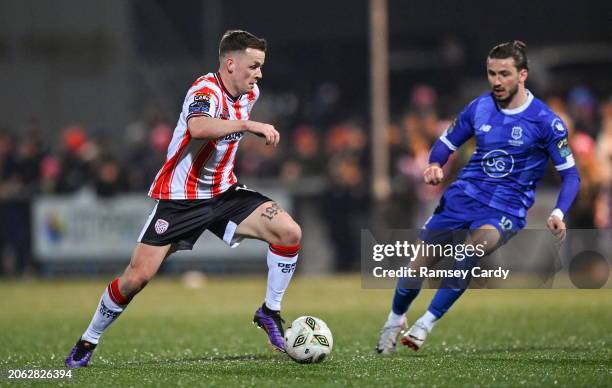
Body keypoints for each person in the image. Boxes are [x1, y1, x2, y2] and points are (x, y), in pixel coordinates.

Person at [65, 30, 302, 368]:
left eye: (261, 67)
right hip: (182, 200)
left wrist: (246, 124)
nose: (259, 74)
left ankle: (270, 312)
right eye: (253, 66)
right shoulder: (204, 90)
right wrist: (249, 125)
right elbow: (199, 128)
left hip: (224, 193)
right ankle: (88, 341)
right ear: (231, 64)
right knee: (137, 277)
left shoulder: (251, 92)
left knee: (289, 232)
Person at [376, 41, 581, 354]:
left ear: (523, 75)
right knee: (416, 267)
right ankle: (394, 320)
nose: (496, 81)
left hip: (505, 210)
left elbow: (571, 175)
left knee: (469, 252)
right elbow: (446, 144)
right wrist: (434, 164)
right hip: (462, 197)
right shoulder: (478, 107)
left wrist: (558, 213)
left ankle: (425, 324)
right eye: (491, 73)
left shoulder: (546, 122)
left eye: (504, 74)